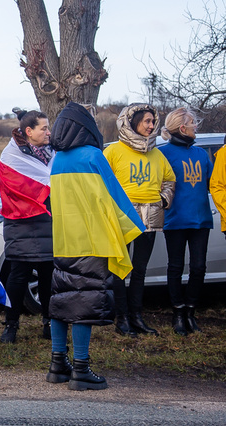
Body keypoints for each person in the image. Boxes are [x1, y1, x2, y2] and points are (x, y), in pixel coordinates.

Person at [48, 102, 144, 391]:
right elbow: (114, 198)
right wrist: (134, 226)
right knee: (83, 304)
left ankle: (57, 365)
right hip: (92, 240)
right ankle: (81, 369)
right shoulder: (93, 156)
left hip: (64, 240)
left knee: (61, 300)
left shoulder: (58, 159)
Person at [103, 103, 175, 337]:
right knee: (120, 269)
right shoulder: (113, 152)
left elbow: (169, 180)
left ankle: (136, 317)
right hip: (123, 217)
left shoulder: (157, 153)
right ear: (133, 122)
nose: (152, 126)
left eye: (153, 122)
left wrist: (163, 201)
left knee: (140, 269)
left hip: (150, 218)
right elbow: (102, 183)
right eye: (147, 121)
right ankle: (121, 319)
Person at [0, 108, 54, 343]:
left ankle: (50, 323)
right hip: (20, 220)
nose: (49, 132)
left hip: (48, 220)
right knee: (18, 275)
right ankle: (11, 324)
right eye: (44, 128)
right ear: (29, 131)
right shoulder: (11, 156)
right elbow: (13, 186)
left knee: (48, 275)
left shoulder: (53, 152)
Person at [159, 108, 213, 335]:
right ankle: (178, 313)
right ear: (183, 128)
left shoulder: (201, 154)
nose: (196, 126)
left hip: (201, 219)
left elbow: (212, 183)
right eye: (193, 123)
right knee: (175, 266)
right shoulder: (163, 153)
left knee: (199, 267)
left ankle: (190, 311)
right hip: (176, 220)